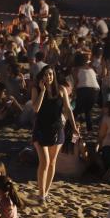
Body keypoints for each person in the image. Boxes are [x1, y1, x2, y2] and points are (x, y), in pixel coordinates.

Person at [31, 65, 79, 201]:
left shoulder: (62, 89)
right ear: (42, 77)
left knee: (52, 162)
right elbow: (35, 109)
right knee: (44, 162)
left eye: (51, 74)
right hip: (40, 129)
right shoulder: (36, 89)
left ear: (54, 76)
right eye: (46, 75)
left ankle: (45, 193)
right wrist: (42, 91)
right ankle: (41, 194)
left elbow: (68, 110)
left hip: (57, 130)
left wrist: (74, 127)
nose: (48, 77)